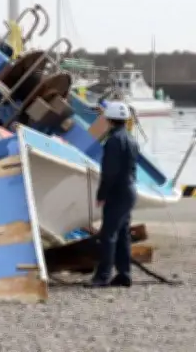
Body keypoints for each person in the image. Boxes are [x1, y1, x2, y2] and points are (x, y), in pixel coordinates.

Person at [86, 100, 139, 288]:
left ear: (109, 119)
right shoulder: (132, 140)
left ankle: (103, 276)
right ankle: (124, 274)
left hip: (117, 192)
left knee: (108, 234)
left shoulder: (113, 141)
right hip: (130, 190)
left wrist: (101, 194)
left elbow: (109, 172)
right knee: (123, 233)